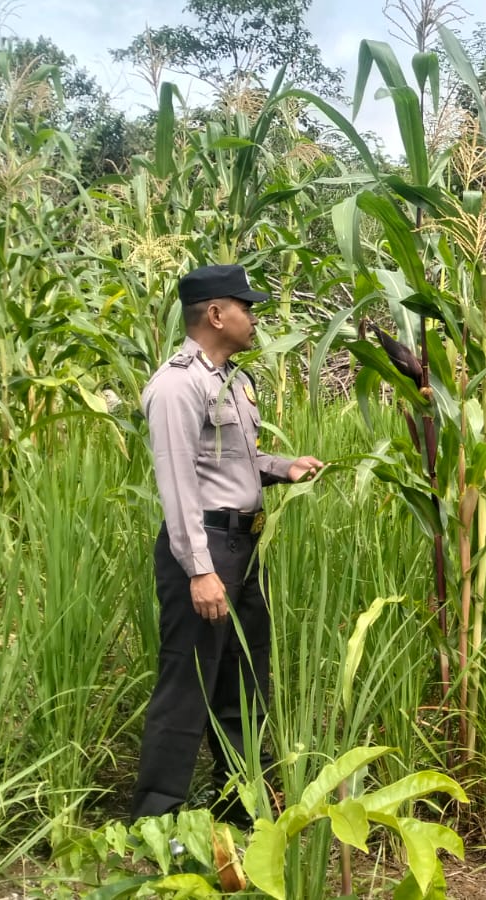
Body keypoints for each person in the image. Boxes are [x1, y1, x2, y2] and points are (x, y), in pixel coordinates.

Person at [129, 263, 323, 825]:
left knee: (245, 675)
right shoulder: (175, 385)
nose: (254, 317)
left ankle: (239, 800)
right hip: (204, 549)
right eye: (247, 306)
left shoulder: (233, 381)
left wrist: (282, 468)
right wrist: (198, 570)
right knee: (187, 681)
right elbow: (177, 482)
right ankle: (156, 818)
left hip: (243, 547)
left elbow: (232, 464)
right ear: (216, 313)